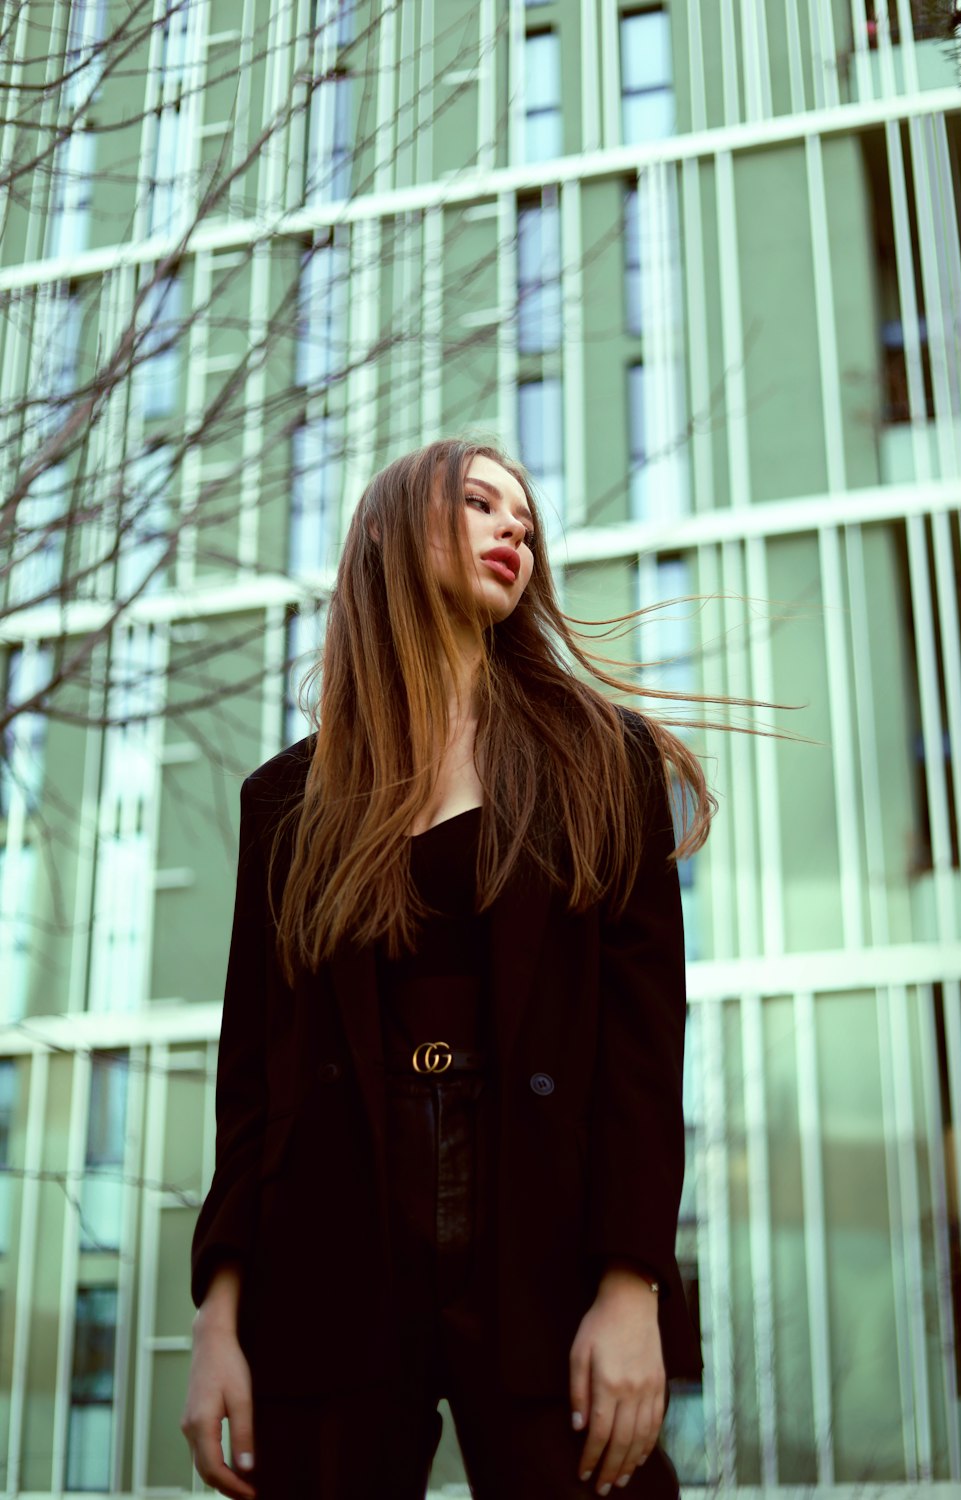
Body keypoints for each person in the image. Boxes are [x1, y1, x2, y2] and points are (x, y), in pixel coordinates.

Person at [181, 436, 716, 1499]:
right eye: (478, 502)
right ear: (388, 530)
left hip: (546, 1247)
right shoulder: (284, 804)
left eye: (523, 516)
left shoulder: (601, 760)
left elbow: (643, 1055)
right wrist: (219, 1318)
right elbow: (253, 1081)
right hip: (331, 1253)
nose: (514, 527)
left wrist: (631, 1288)